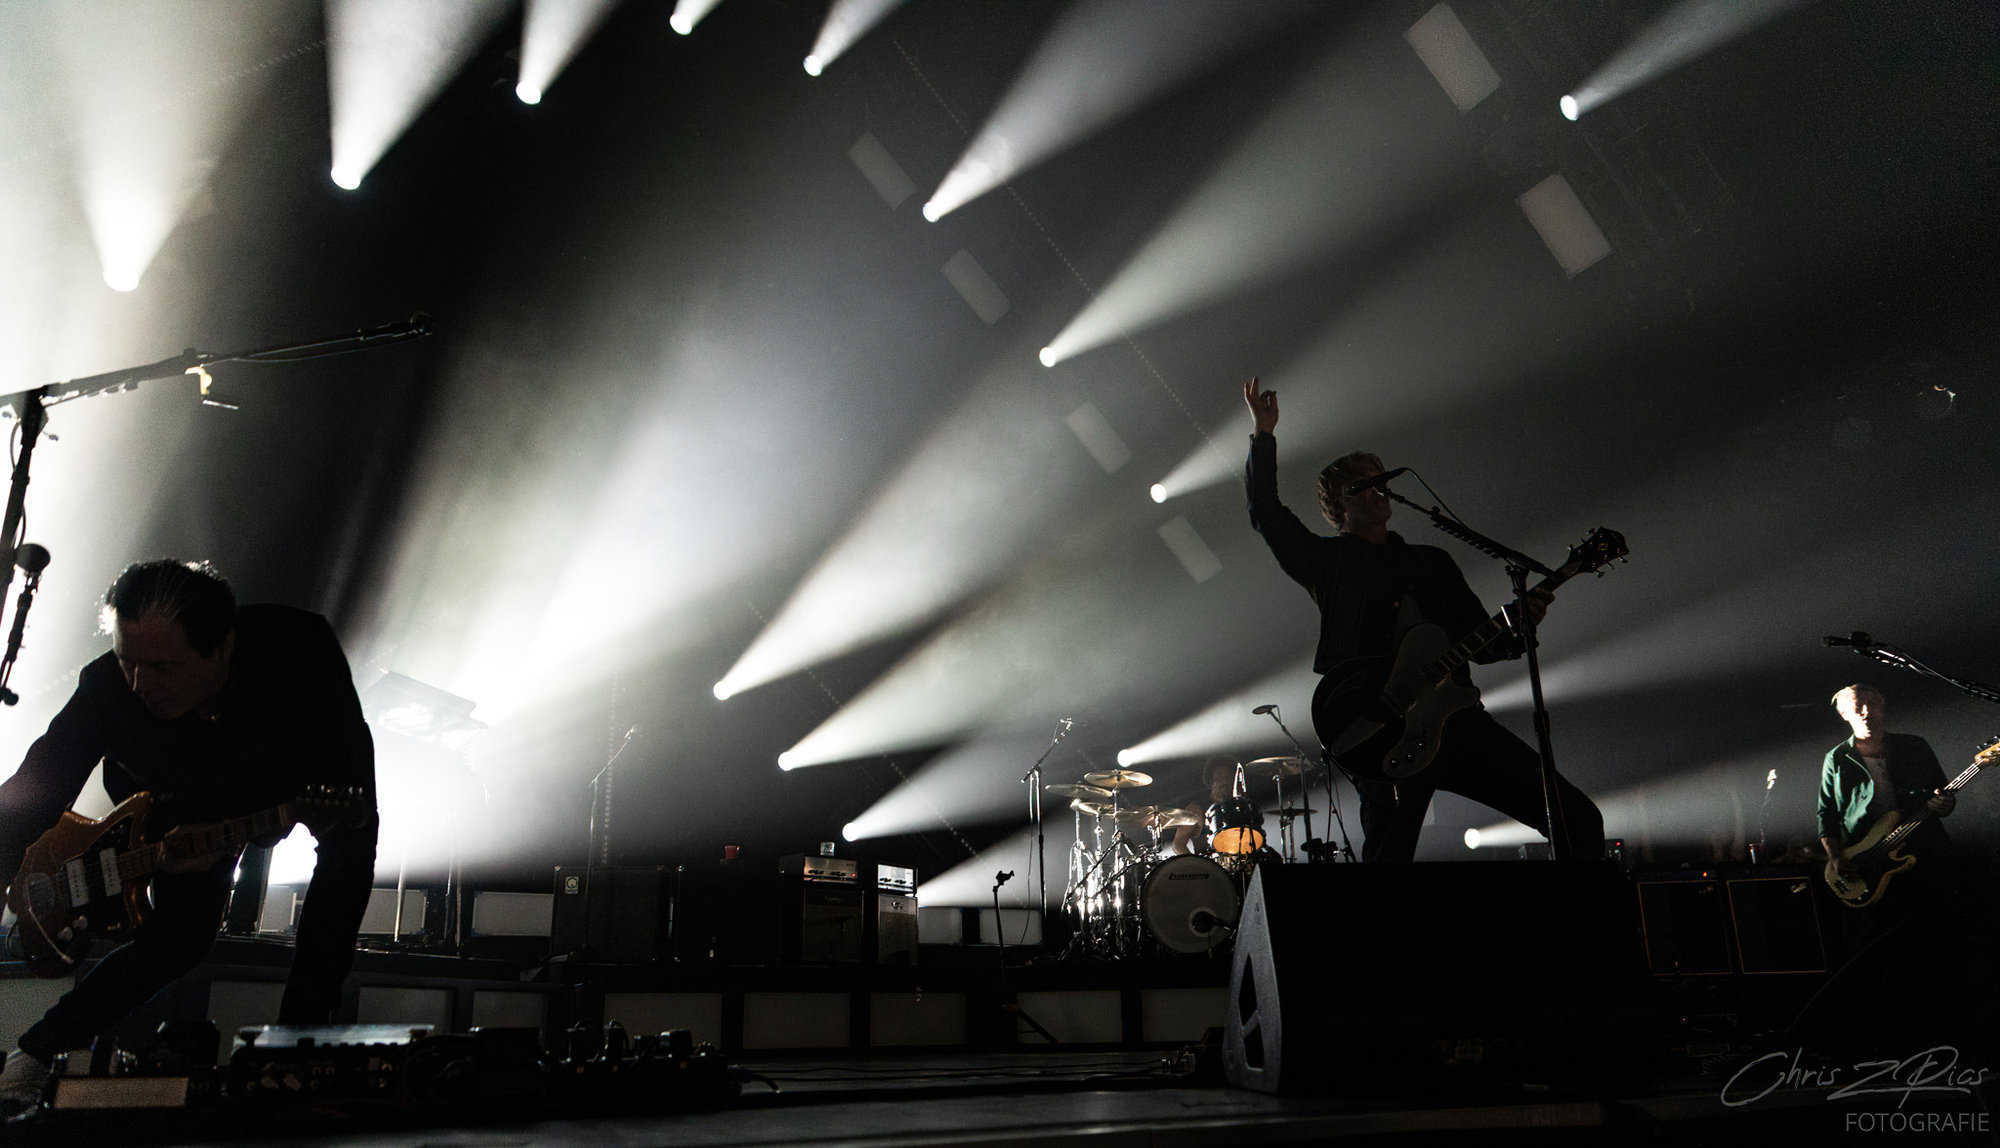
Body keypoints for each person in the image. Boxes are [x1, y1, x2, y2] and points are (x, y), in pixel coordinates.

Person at [0, 560, 377, 1114]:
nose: (139, 684)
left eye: (162, 667)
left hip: (279, 776)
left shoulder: (302, 654)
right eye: (127, 660)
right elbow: (30, 795)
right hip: (166, 803)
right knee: (180, 938)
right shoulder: (107, 686)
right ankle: (35, 1053)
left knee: (347, 852)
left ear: (223, 647)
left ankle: (297, 1043)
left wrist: (300, 1027)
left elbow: (352, 839)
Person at [1239, 377, 1603, 862]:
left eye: (1381, 480)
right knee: (1390, 860)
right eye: (1362, 485)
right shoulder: (1328, 563)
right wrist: (1263, 435)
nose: (1378, 490)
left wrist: (1522, 625)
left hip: (1457, 722)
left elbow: (1486, 645)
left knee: (1577, 819)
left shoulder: (1431, 563)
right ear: (1340, 505)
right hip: (1381, 729)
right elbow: (1266, 512)